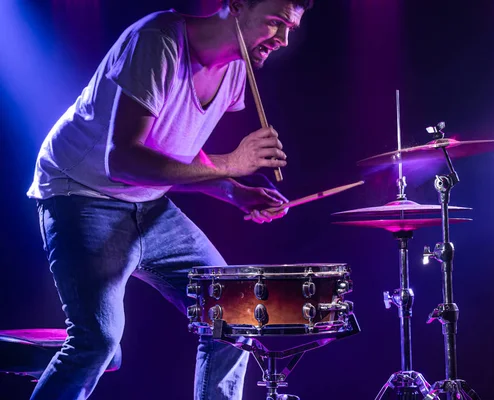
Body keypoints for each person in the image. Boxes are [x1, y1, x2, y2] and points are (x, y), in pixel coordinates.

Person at [26, 0, 312, 398]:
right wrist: (231, 163)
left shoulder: (235, 69)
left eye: (291, 28)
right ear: (238, 5)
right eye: (276, 22)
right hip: (81, 192)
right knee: (97, 343)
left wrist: (233, 191)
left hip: (148, 202)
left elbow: (175, 146)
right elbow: (122, 160)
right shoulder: (157, 41)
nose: (282, 39)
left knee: (235, 315)